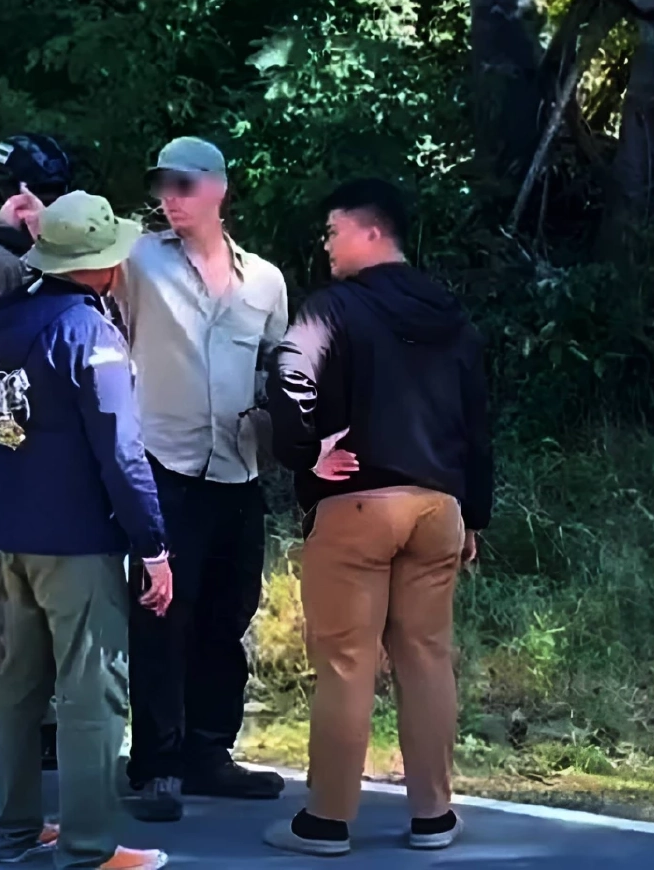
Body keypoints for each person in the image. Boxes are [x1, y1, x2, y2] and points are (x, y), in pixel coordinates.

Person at [0, 191, 173, 870]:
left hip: (6, 533)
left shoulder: (0, 319)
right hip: (77, 541)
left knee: (16, 689)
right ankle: (90, 848)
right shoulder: (90, 334)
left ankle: (14, 833)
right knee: (91, 691)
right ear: (101, 265)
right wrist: (153, 545)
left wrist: (5, 448)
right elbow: (121, 453)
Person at [261, 178, 494, 856]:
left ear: (371, 232)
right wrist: (473, 513)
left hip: (358, 504)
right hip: (439, 509)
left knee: (346, 661)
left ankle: (327, 821)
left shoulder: (334, 307)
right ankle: (434, 816)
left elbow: (289, 375)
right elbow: (478, 421)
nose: (327, 246)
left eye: (334, 232)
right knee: (427, 658)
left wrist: (305, 454)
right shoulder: (449, 314)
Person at [115, 137, 289, 821]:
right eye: (162, 186)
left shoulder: (265, 282)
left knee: (228, 614)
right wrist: (29, 223)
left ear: (219, 188)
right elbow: (76, 254)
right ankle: (157, 762)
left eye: (184, 185)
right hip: (165, 464)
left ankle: (209, 751)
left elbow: (279, 367)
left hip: (238, 470)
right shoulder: (138, 259)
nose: (171, 199)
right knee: (161, 615)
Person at [0, 134, 72, 772]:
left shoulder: (36, 256)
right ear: (20, 197)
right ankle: (8, 727)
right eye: (45, 194)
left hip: (45, 450)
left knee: (43, 599)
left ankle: (41, 718)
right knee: (9, 601)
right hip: (5, 446)